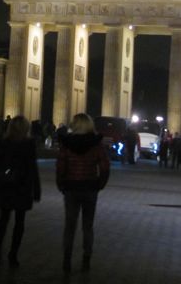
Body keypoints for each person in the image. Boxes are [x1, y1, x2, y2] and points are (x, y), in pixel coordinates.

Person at [57, 113, 110, 273]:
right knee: (87, 226)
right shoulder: (96, 144)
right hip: (89, 188)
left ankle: (67, 259)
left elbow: (60, 166)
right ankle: (86, 259)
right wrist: (100, 184)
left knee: (70, 226)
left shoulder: (66, 143)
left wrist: (61, 184)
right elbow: (105, 167)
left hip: (71, 188)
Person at [0, 115, 40, 268]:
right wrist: (37, 189)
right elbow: (33, 168)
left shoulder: (3, 143)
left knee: (3, 221)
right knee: (20, 223)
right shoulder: (29, 144)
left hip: (5, 186)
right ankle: (13, 255)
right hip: (23, 188)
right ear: (27, 128)